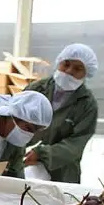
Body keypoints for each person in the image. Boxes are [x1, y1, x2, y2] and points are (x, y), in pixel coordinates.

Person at [23, 43, 100, 183]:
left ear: (86, 73)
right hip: (25, 161)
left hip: (63, 172)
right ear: (59, 62)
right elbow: (17, 121)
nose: (69, 71)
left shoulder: (87, 104)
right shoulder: (36, 89)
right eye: (66, 64)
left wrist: (43, 154)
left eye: (77, 68)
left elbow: (76, 143)